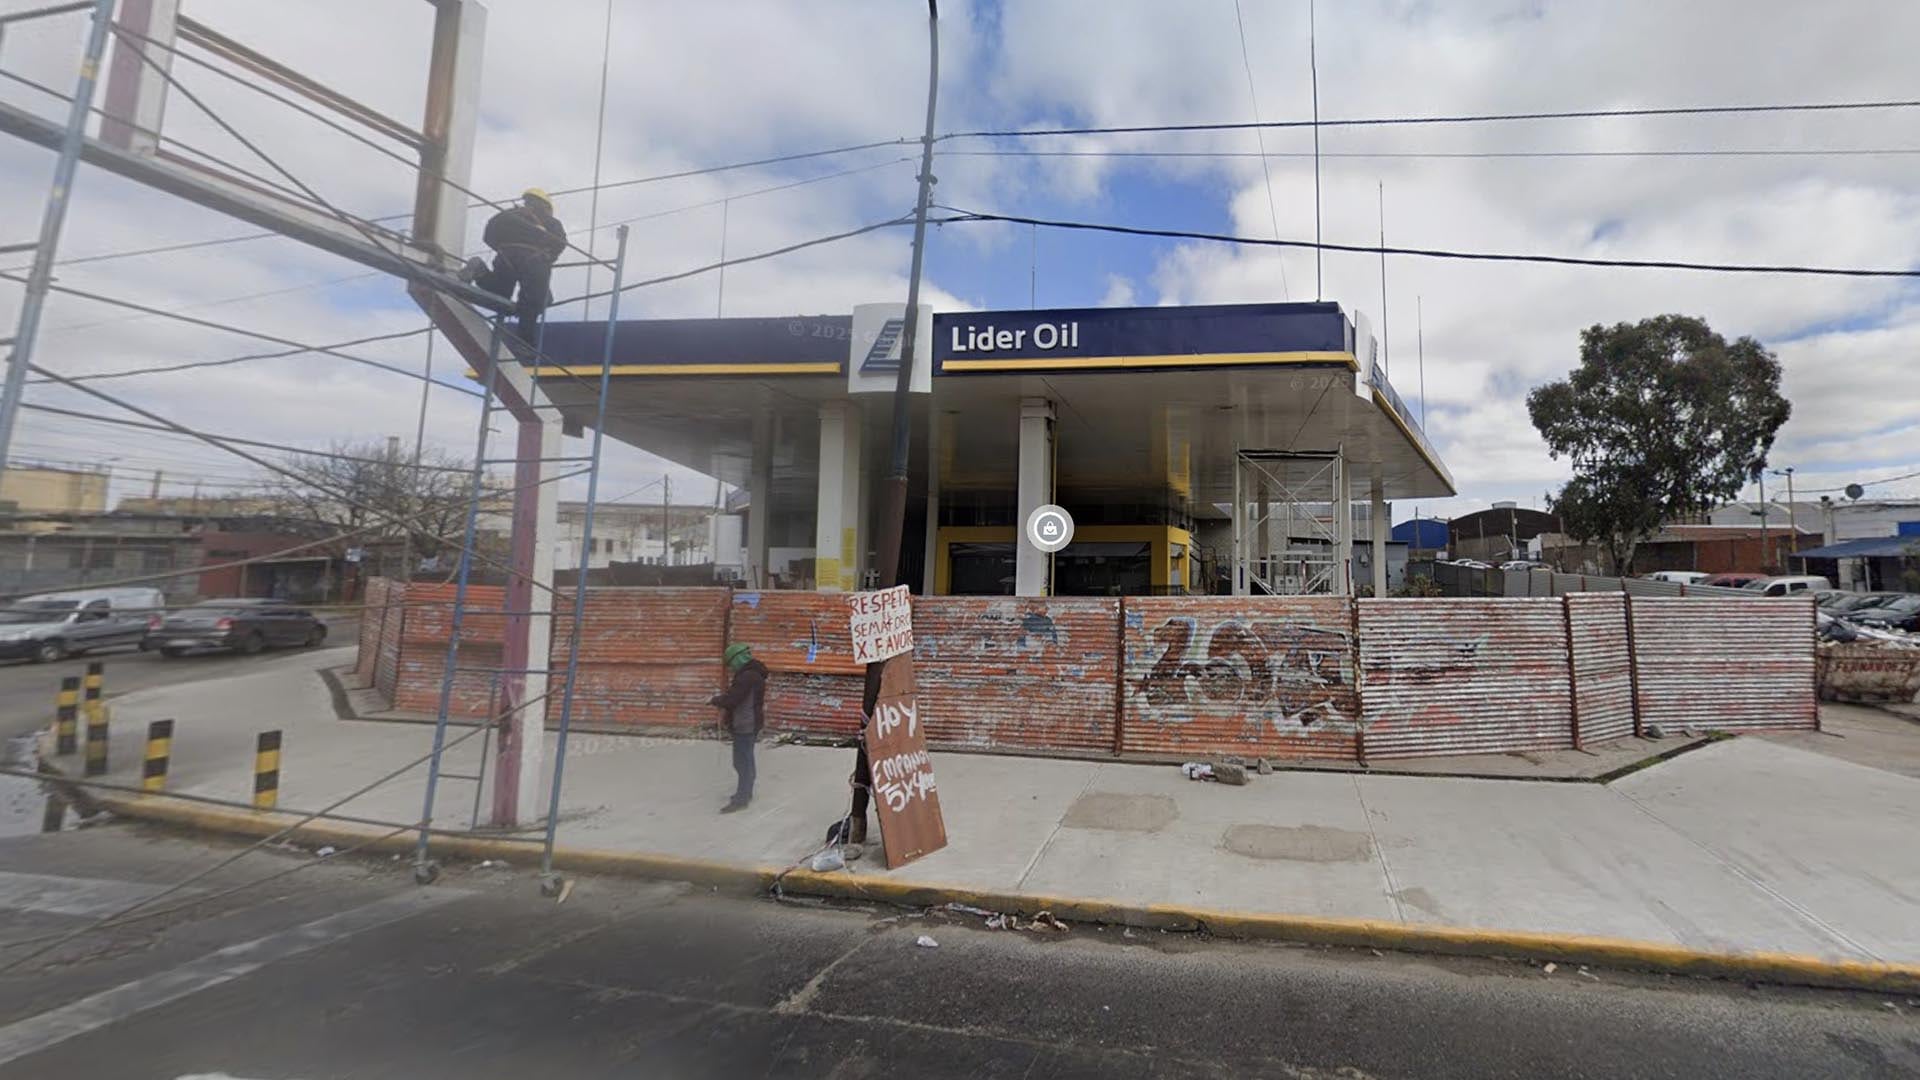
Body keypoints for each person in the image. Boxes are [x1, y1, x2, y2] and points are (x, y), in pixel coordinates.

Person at [462, 188, 567, 345]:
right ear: (546, 206)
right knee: (535, 301)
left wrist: (503, 249)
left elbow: (488, 235)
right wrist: (548, 258)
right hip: (534, 260)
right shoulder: (550, 221)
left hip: (505, 256)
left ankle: (478, 269)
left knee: (500, 292)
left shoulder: (505, 215)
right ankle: (524, 342)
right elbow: (560, 243)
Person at [708, 642, 768, 813]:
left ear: (739, 658)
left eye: (731, 663)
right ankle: (746, 793)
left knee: (742, 762)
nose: (731, 667)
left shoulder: (747, 676)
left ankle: (741, 799)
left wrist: (715, 700)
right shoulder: (755, 673)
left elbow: (733, 699)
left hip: (745, 724)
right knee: (747, 759)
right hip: (751, 722)